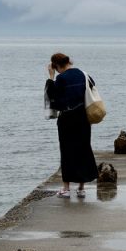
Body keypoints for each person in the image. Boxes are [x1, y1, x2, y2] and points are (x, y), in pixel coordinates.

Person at [46, 53, 98, 199]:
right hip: (83, 117)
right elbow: (92, 87)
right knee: (83, 149)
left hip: (67, 118)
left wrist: (50, 77)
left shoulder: (61, 78)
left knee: (67, 151)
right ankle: (81, 188)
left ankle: (66, 188)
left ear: (57, 66)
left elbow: (53, 98)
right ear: (69, 62)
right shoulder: (83, 74)